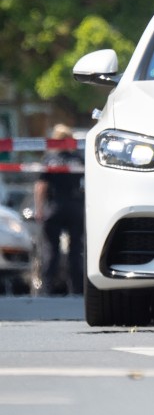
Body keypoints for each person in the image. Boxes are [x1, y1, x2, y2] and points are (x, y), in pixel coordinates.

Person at [34, 124, 85, 296]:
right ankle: (77, 290)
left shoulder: (49, 159)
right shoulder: (78, 159)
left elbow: (41, 186)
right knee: (76, 250)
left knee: (51, 250)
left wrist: (39, 209)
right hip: (75, 207)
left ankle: (47, 290)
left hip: (54, 207)